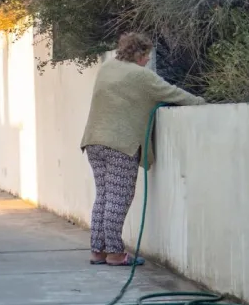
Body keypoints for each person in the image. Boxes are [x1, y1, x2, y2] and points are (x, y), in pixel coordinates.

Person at [81, 32, 205, 266]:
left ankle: (97, 251)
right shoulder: (141, 76)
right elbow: (172, 93)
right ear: (137, 53)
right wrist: (200, 102)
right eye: (146, 54)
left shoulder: (108, 67)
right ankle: (115, 253)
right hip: (120, 144)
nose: (148, 59)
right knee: (118, 198)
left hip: (93, 140)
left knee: (104, 196)